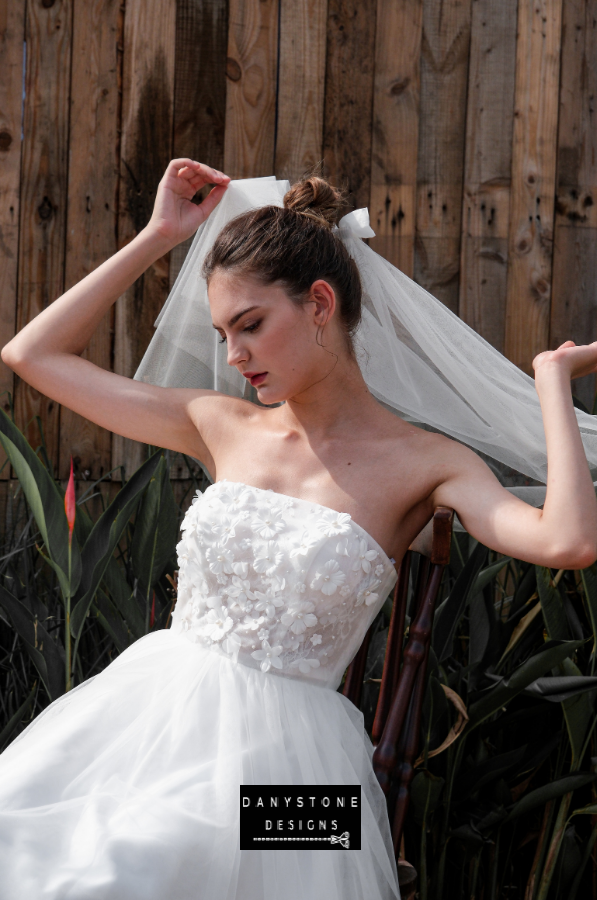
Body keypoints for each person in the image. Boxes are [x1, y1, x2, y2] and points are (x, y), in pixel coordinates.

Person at [0, 158, 595, 899]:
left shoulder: (426, 463)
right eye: (222, 332)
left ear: (319, 302)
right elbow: (30, 356)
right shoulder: (218, 424)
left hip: (306, 772)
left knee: (163, 862)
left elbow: (567, 542)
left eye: (250, 325)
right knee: (45, 849)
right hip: (152, 722)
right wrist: (160, 234)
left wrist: (549, 382)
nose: (233, 355)